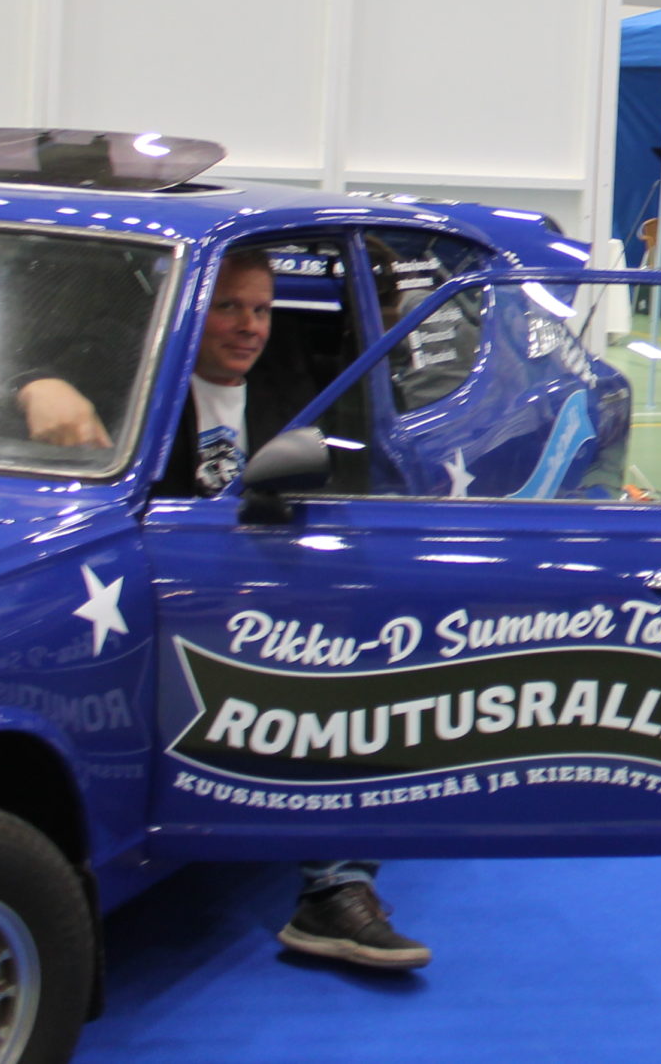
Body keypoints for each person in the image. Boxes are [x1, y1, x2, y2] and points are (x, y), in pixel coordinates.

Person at [165, 249, 435, 973]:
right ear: (189, 311)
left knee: (361, 657)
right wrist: (41, 387)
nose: (249, 326)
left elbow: (338, 482)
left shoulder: (292, 386)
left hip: (276, 599)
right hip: (180, 599)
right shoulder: (153, 394)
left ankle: (335, 884)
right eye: (228, 307)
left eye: (260, 309)